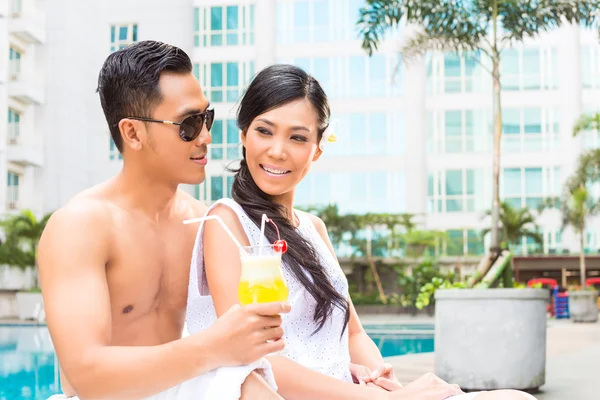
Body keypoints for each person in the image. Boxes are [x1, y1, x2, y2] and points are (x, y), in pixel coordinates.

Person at [186, 64, 538, 400]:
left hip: (354, 390)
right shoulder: (227, 224)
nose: (277, 151)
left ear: (318, 148)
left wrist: (389, 384)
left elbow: (353, 333)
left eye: (297, 137)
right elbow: (253, 359)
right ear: (244, 134)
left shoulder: (314, 228)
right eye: (265, 131)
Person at [38, 40, 289, 400]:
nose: (204, 136)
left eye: (207, 118)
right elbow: (86, 376)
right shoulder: (81, 227)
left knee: (247, 382)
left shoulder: (206, 223)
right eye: (188, 124)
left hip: (183, 387)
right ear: (132, 133)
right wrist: (214, 347)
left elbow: (254, 334)